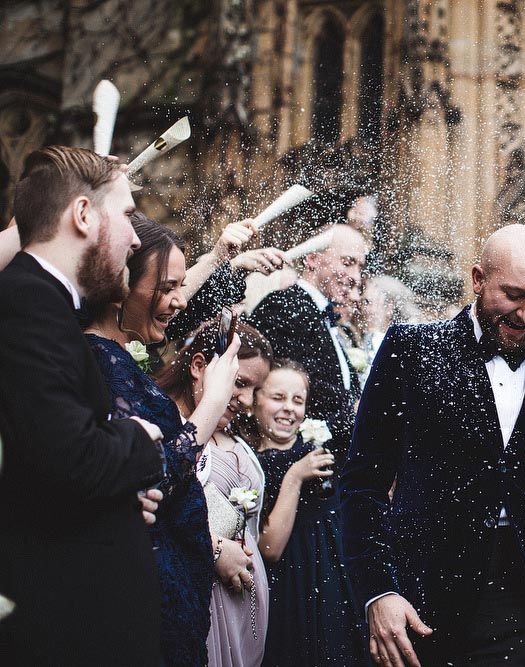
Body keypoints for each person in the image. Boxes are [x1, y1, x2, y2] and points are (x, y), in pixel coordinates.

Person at [340, 224, 525, 666]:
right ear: (478, 279)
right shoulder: (411, 350)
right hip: (424, 602)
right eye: (514, 295)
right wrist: (379, 592)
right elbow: (362, 484)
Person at [0, 146, 165, 666]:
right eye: (127, 214)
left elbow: (40, 458)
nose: (137, 238)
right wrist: (141, 438)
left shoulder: (47, 304)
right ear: (83, 214)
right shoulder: (29, 302)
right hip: (62, 628)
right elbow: (71, 462)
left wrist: (115, 495)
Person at [84, 212, 242, 667]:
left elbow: (165, 295)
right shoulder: (99, 361)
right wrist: (211, 406)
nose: (178, 301)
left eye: (179, 287)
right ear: (119, 285)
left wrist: (216, 258)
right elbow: (152, 479)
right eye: (166, 288)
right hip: (144, 606)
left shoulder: (122, 351)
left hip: (173, 602)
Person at [157, 320, 274, 667]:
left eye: (255, 390)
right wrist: (216, 549)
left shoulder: (231, 440)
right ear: (198, 367)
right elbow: (149, 503)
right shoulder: (163, 424)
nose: (247, 402)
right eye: (240, 384)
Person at [253, 360, 369, 666]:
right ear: (255, 402)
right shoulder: (253, 464)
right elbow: (268, 548)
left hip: (337, 566)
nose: (289, 408)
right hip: (292, 579)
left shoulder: (322, 447)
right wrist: (295, 475)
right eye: (278, 398)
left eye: (298, 400)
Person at [249, 223, 368, 458]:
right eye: (347, 263)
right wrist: (358, 410)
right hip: (292, 458)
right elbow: (295, 390)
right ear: (312, 259)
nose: (355, 276)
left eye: (359, 267)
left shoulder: (326, 317)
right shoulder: (284, 305)